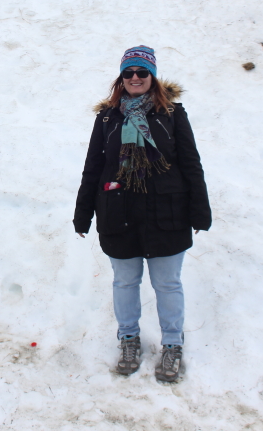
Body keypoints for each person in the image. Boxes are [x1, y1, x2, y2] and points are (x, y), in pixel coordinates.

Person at [73, 46, 211, 382]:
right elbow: (93, 168)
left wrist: (199, 209)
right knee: (124, 281)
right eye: (128, 73)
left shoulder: (173, 114)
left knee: (167, 283)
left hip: (167, 213)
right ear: (121, 78)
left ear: (153, 77)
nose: (135, 78)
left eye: (142, 72)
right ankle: (129, 339)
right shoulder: (107, 118)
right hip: (118, 213)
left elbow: (190, 163)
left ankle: (173, 345)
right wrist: (83, 214)